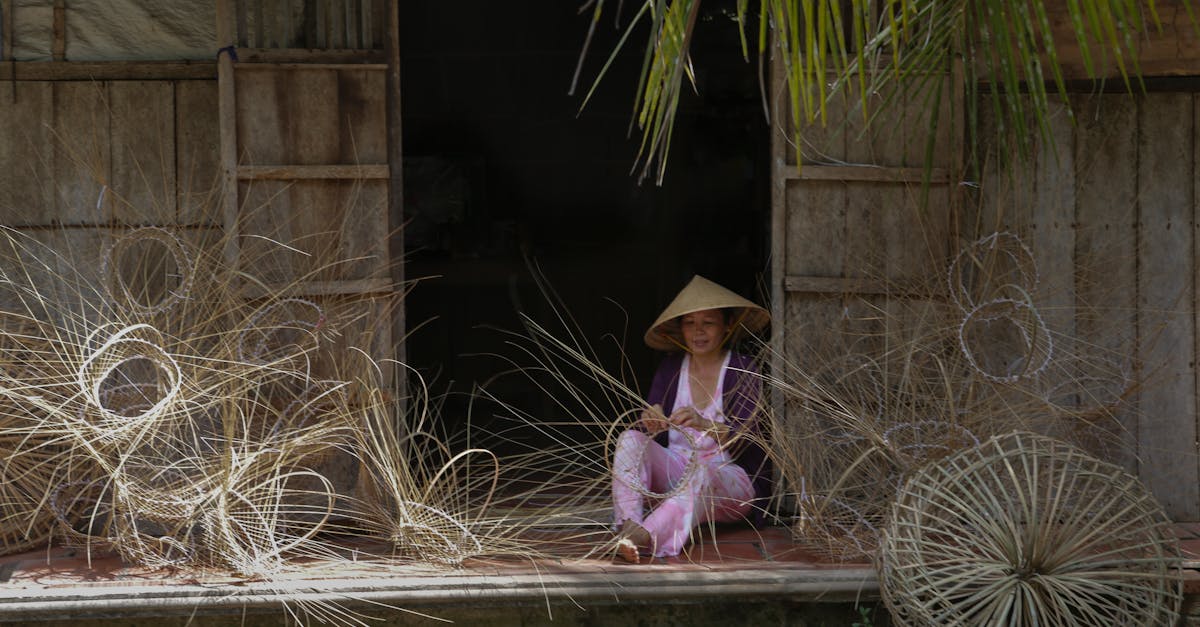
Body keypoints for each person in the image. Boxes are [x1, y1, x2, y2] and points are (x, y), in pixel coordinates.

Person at [612, 275, 771, 562]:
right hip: (677, 472)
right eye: (690, 323)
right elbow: (648, 426)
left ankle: (645, 537)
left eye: (708, 322)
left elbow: (751, 438)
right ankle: (628, 523)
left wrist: (704, 423)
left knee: (701, 472)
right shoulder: (671, 368)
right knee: (629, 440)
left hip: (729, 481)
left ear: (727, 326)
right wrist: (652, 419)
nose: (698, 331)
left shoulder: (743, 369)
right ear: (681, 330)